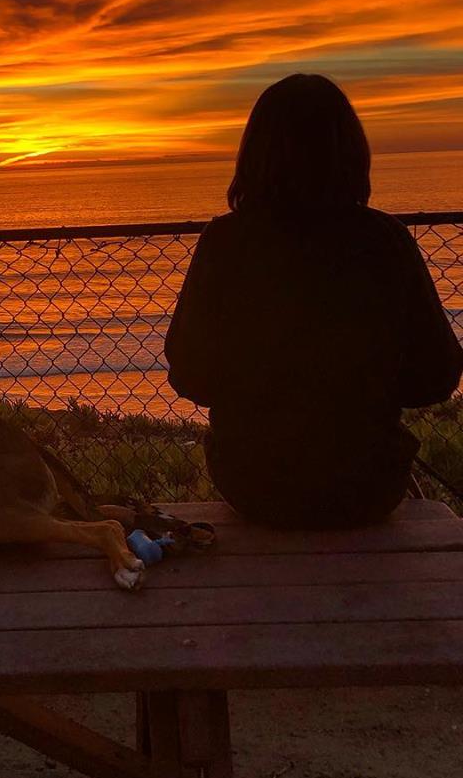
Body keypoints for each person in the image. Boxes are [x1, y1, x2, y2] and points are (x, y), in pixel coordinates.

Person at [165, 74, 462, 529]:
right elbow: (437, 376)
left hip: (253, 483)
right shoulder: (386, 241)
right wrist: (365, 391)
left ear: (254, 153)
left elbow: (189, 373)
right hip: (368, 485)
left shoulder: (224, 243)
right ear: (352, 152)